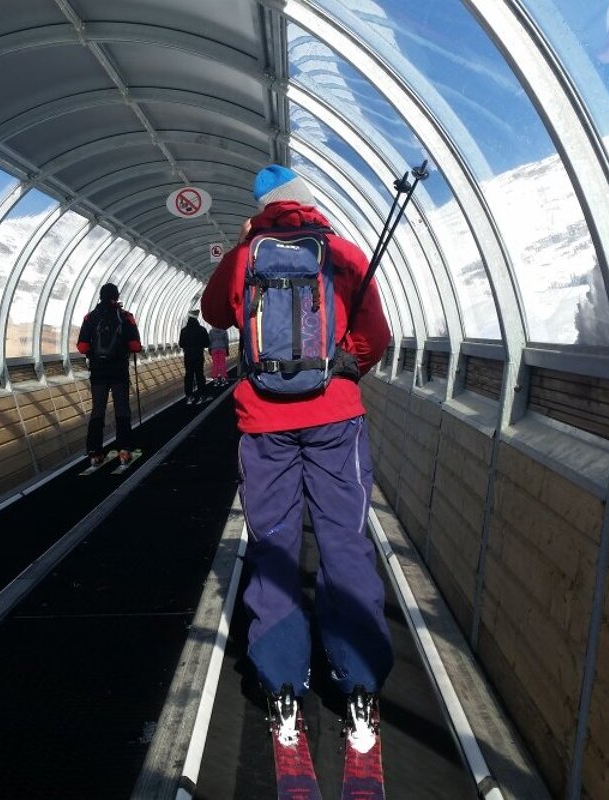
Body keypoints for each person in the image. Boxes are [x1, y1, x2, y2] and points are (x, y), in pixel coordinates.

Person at [201, 164, 394, 746]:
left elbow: (214, 313)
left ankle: (283, 688)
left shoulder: (246, 257)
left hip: (264, 422)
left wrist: (240, 248)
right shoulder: (342, 253)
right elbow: (375, 337)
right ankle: (358, 688)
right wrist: (340, 370)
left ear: (262, 208)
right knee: (344, 542)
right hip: (336, 419)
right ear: (309, 203)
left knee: (275, 546)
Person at [76, 283, 142, 466]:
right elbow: (135, 346)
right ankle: (124, 448)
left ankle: (94, 451)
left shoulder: (90, 317)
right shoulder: (125, 317)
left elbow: (82, 347)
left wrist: (95, 353)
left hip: (98, 372)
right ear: (116, 296)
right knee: (122, 408)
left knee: (98, 410)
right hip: (119, 370)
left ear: (100, 296)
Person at [178, 311, 210, 404]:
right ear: (197, 318)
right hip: (199, 355)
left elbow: (181, 344)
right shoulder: (202, 330)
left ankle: (189, 397)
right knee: (200, 375)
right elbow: (207, 343)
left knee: (189, 376)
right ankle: (201, 396)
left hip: (188, 356)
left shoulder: (184, 330)